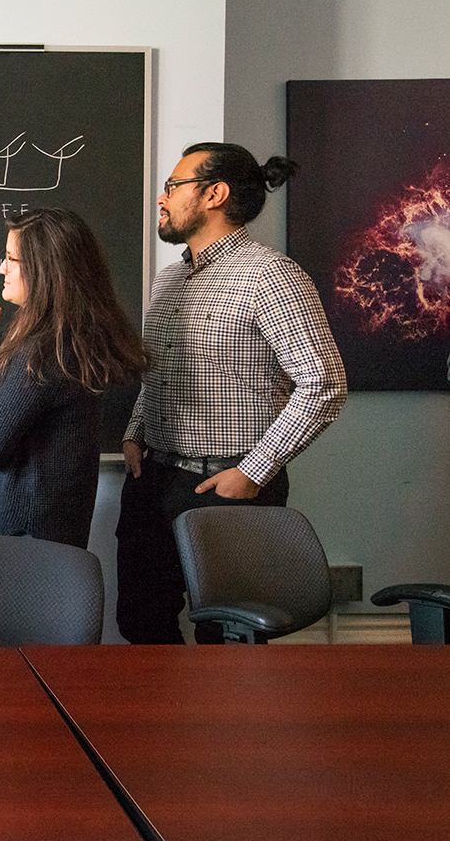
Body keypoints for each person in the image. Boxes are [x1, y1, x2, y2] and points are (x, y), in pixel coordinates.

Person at [116, 142, 347, 644]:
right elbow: (159, 372)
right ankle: (165, 725)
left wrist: (253, 471)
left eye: (174, 187)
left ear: (214, 194)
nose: (163, 197)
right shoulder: (170, 278)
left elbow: (324, 384)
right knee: (140, 623)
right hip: (152, 480)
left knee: (225, 639)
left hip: (227, 489)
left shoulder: (271, 275)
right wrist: (135, 432)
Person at [0, 207, 148, 548]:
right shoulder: (68, 339)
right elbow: (5, 409)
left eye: (10, 259)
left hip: (27, 534)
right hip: (48, 527)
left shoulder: (42, 353)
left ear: (42, 269)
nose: (1, 268)